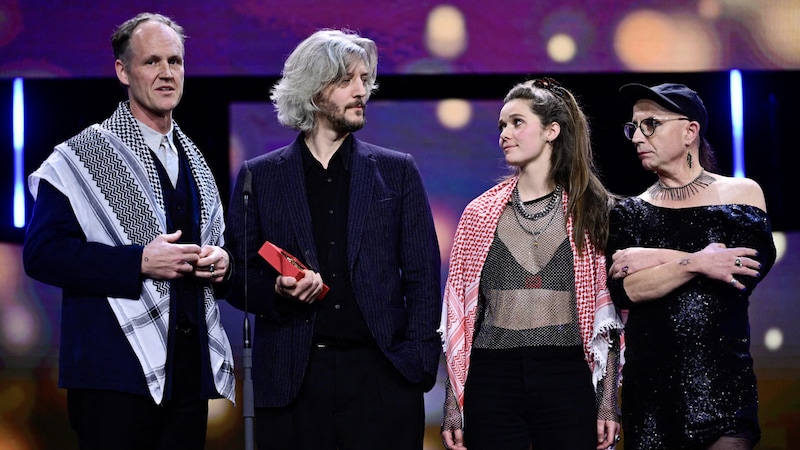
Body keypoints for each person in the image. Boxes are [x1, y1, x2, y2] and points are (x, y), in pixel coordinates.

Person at [22, 12, 236, 450]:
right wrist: (138, 260)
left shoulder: (196, 161)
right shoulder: (81, 158)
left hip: (188, 379)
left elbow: (214, 243)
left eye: (174, 62)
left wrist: (222, 261)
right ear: (123, 70)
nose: (166, 74)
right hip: (112, 380)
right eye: (151, 62)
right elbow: (42, 253)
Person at [224, 29, 442, 450]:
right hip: (294, 380)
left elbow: (422, 277)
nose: (361, 90)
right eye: (347, 80)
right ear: (312, 89)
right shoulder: (261, 176)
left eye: (365, 79)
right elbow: (236, 276)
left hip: (382, 379)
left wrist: (415, 365)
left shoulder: (397, 171)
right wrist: (277, 289)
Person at [440, 78, 624, 450]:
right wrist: (452, 403)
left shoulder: (593, 210)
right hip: (492, 375)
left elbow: (609, 318)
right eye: (501, 126)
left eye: (517, 122)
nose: (504, 134)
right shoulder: (478, 214)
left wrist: (608, 401)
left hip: (567, 371)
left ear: (551, 131)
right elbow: (459, 317)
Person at [606, 82, 777, 450]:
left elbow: (743, 270)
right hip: (651, 398)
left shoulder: (741, 194)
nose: (637, 136)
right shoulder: (630, 212)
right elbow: (628, 289)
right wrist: (701, 262)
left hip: (722, 390)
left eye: (650, 124)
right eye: (633, 127)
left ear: (689, 131)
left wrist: (656, 259)